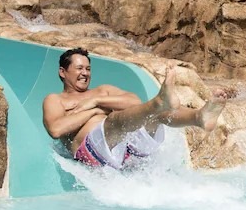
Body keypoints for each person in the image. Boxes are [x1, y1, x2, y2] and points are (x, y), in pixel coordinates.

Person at [42, 47, 223, 169]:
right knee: (114, 120)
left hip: (126, 149)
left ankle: (198, 118)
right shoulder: (56, 99)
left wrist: (96, 100)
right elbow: (56, 130)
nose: (85, 73)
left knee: (154, 115)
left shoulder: (101, 91)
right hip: (90, 152)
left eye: (88, 69)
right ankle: (159, 102)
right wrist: (95, 110)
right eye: (79, 68)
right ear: (62, 72)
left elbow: (134, 101)